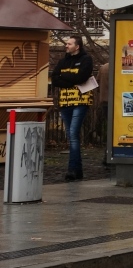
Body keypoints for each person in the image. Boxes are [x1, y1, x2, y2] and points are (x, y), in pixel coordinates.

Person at [50, 35, 94, 182]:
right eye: (66, 43)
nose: (66, 46)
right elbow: (55, 79)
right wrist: (71, 79)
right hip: (65, 103)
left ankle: (72, 170)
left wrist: (65, 76)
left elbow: (81, 77)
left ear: (77, 46)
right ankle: (77, 170)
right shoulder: (62, 61)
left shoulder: (86, 60)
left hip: (80, 101)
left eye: (69, 44)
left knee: (73, 134)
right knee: (71, 136)